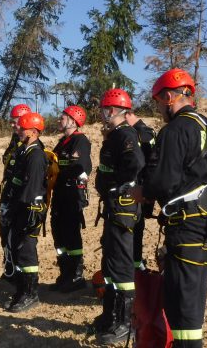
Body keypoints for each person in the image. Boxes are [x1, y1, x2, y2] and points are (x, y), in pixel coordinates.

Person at [130, 68, 207, 348]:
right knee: (192, 298)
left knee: (182, 308)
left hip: (188, 227)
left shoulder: (175, 130)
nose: (160, 109)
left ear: (169, 96)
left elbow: (162, 180)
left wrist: (142, 192)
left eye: (159, 103)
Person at [94, 88, 145, 345]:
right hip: (114, 207)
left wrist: (121, 185)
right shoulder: (113, 134)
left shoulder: (125, 134)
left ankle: (126, 323)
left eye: (104, 109)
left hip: (123, 207)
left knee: (123, 264)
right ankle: (111, 316)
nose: (102, 113)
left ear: (112, 110)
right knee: (111, 261)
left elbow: (135, 163)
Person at [1, 112, 48, 313]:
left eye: (22, 128)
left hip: (28, 211)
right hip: (18, 209)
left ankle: (30, 294)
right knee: (18, 251)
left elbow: (32, 189)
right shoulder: (24, 151)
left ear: (33, 131)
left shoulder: (36, 155)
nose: (18, 130)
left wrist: (19, 209)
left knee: (27, 252)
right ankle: (21, 291)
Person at [49, 105, 92, 293]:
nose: (60, 120)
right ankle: (65, 274)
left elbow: (80, 167)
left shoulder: (80, 141)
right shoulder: (62, 143)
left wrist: (61, 174)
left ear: (74, 121)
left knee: (71, 235)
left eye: (63, 117)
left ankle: (76, 276)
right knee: (59, 235)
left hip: (72, 195)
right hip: (59, 194)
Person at [0, 103, 32, 282]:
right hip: (8, 193)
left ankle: (17, 273)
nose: (12, 126)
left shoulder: (29, 143)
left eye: (15, 122)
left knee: (17, 237)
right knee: (5, 233)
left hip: (18, 197)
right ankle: (9, 268)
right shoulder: (14, 140)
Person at [124, 105, 157, 271]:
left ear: (129, 114)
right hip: (142, 191)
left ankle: (136, 268)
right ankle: (135, 266)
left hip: (140, 192)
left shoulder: (141, 134)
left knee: (135, 232)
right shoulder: (145, 132)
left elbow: (148, 167)